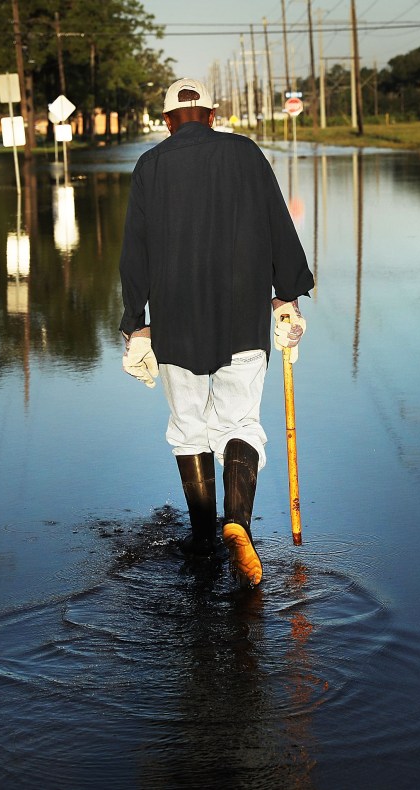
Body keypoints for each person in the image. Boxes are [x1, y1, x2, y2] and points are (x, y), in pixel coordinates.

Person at [118, 77, 314, 587]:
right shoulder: (246, 155)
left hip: (176, 323)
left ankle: (204, 536)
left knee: (188, 425)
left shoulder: (150, 166)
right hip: (241, 318)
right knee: (240, 422)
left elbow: (134, 251)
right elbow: (277, 224)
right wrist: (287, 294)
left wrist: (135, 323)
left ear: (167, 121)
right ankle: (237, 524)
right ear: (212, 114)